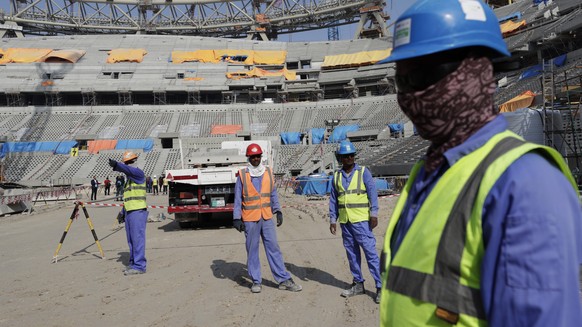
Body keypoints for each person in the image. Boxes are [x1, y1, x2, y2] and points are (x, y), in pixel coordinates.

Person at [378, 1, 582, 326]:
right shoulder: (429, 171)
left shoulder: (526, 183)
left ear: (477, 73)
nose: (412, 94)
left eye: (425, 74)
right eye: (402, 81)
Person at [233, 143, 302, 294]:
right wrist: (236, 218)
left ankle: (283, 279)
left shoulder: (268, 173)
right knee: (252, 250)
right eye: (253, 157)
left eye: (258, 156)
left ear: (261, 157)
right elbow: (238, 199)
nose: (256, 159)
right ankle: (256, 281)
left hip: (266, 217)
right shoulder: (243, 175)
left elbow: (273, 194)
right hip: (250, 219)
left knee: (273, 248)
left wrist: (278, 210)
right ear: (249, 158)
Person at [329, 140, 382, 303]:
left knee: (370, 254)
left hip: (362, 221)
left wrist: (374, 214)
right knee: (352, 255)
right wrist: (333, 219)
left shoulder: (363, 172)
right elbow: (333, 199)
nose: (350, 158)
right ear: (341, 158)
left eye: (352, 155)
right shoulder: (336, 176)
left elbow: (373, 193)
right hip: (346, 222)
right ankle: (358, 283)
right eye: (346, 156)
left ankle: (380, 286)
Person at [109, 151, 149, 276]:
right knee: (131, 240)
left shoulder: (138, 173)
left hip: (138, 211)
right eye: (127, 163)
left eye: (130, 162)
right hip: (130, 212)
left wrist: (117, 165)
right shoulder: (128, 181)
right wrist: (122, 212)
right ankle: (133, 263)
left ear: (134, 162)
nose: (129, 165)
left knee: (137, 239)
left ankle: (139, 265)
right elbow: (129, 197)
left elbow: (128, 170)